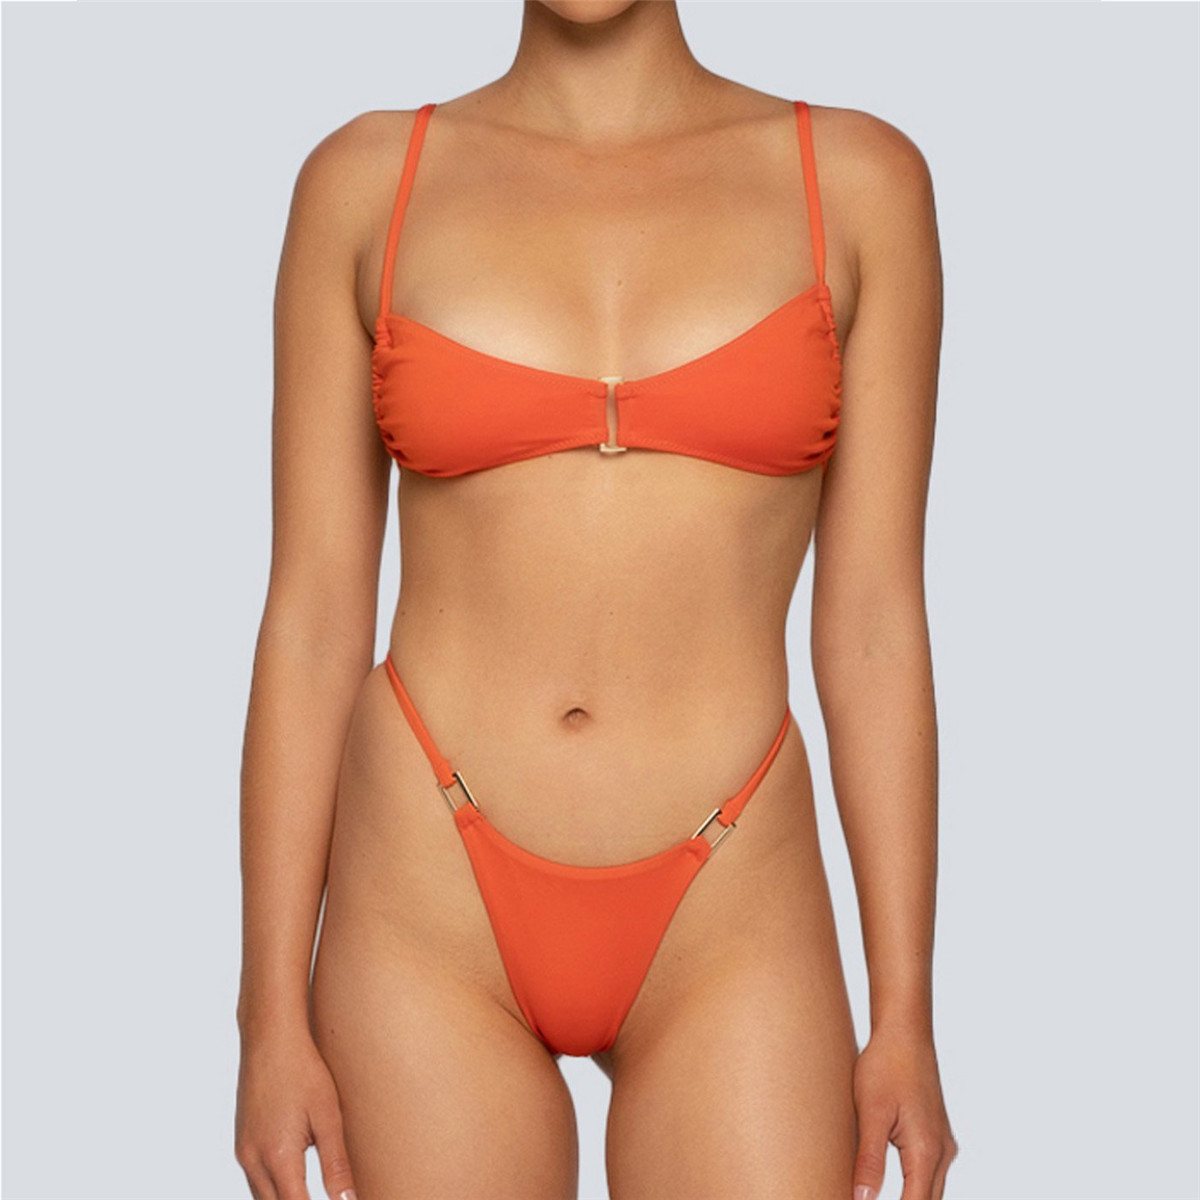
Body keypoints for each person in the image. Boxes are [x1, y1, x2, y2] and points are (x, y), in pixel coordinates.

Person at [234, 2, 957, 1197]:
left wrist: (905, 1016)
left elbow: (875, 625)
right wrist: (267, 1016)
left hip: (730, 894)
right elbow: (312, 620)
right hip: (428, 893)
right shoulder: (365, 183)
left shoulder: (858, 182)